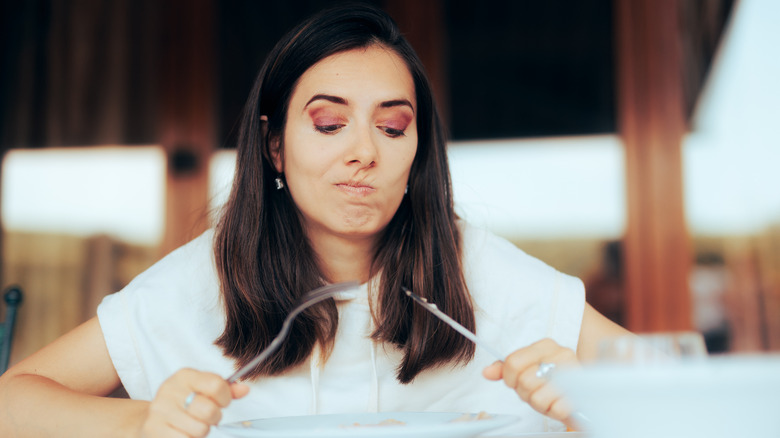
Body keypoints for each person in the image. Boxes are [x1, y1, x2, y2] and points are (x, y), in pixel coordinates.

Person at [0, 4, 630, 437]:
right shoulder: (203, 278)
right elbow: (11, 403)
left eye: (392, 126)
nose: (365, 151)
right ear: (274, 146)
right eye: (330, 125)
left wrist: (600, 406)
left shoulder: (477, 267)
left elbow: (680, 396)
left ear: (418, 153)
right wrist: (141, 422)